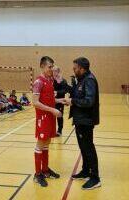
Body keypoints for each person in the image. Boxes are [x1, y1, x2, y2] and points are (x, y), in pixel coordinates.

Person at [65, 57, 101, 190]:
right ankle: (86, 171)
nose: (74, 70)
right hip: (80, 119)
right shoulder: (82, 80)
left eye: (75, 68)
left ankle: (95, 178)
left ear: (82, 68)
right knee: (83, 147)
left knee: (88, 148)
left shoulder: (89, 80)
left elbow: (89, 101)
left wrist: (73, 101)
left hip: (86, 120)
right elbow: (78, 94)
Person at [32, 56, 65, 187]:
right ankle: (37, 174)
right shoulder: (38, 82)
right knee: (40, 144)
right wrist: (52, 110)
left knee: (47, 143)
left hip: (50, 116)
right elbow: (35, 102)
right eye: (49, 67)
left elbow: (48, 99)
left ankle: (45, 170)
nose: (51, 69)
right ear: (42, 66)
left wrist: (59, 101)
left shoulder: (49, 81)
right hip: (43, 117)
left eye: (52, 66)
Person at [53, 66, 70, 136]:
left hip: (60, 102)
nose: (54, 73)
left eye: (55, 71)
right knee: (51, 116)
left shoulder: (63, 81)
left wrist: (57, 92)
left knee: (59, 116)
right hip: (51, 101)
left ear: (58, 72)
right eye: (53, 71)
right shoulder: (50, 80)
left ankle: (59, 130)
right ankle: (51, 130)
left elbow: (65, 90)